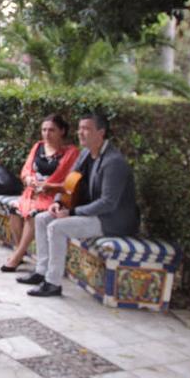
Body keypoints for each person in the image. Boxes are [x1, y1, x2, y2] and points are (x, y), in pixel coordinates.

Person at [18, 113, 139, 297]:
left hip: (111, 220)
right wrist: (58, 202)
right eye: (80, 128)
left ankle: (53, 283)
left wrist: (72, 211)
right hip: (91, 212)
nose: (81, 133)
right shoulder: (85, 154)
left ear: (101, 133)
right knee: (42, 218)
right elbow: (69, 183)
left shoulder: (114, 162)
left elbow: (108, 203)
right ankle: (40, 272)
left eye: (87, 129)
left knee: (57, 227)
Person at [2, 115, 80, 272]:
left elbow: (71, 182)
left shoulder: (71, 153)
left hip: (53, 196)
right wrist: (29, 179)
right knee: (14, 209)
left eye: (51, 130)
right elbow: (26, 169)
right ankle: (20, 250)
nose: (46, 134)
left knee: (33, 214)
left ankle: (16, 257)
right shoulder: (38, 146)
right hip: (32, 193)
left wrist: (50, 186)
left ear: (62, 131)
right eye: (44, 130)